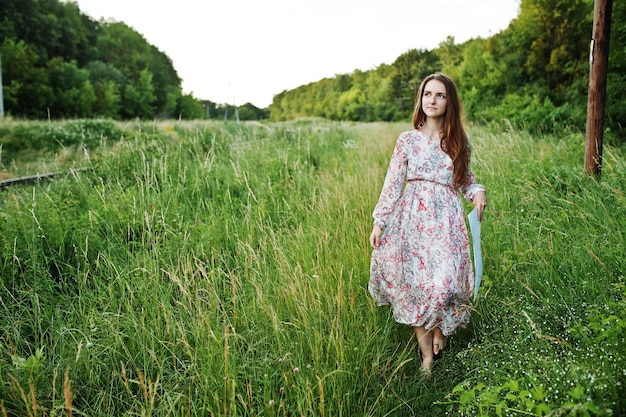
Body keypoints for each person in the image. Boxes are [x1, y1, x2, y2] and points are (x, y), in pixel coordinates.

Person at [368, 72, 487, 375]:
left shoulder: (459, 141)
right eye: (427, 94)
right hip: (412, 222)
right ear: (421, 99)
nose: (432, 100)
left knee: (444, 285)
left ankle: (440, 331)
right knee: (416, 288)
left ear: (450, 102)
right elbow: (392, 184)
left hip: (446, 222)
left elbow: (466, 182)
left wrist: (478, 192)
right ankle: (427, 359)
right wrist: (379, 222)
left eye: (440, 95)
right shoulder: (407, 140)